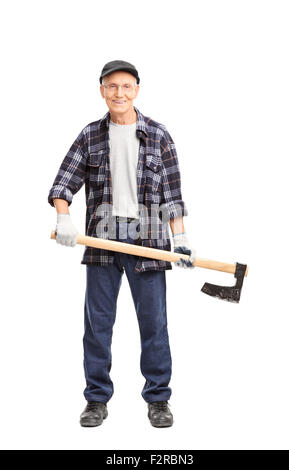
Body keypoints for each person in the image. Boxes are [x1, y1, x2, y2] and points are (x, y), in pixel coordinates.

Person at [48, 60, 195, 428]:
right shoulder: (90, 136)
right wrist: (62, 216)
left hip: (148, 240)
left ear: (137, 91)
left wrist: (181, 238)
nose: (119, 93)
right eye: (112, 86)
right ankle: (96, 400)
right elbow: (64, 181)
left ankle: (158, 400)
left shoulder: (158, 136)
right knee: (98, 324)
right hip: (101, 238)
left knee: (154, 323)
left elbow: (173, 196)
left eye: (127, 87)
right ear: (102, 90)